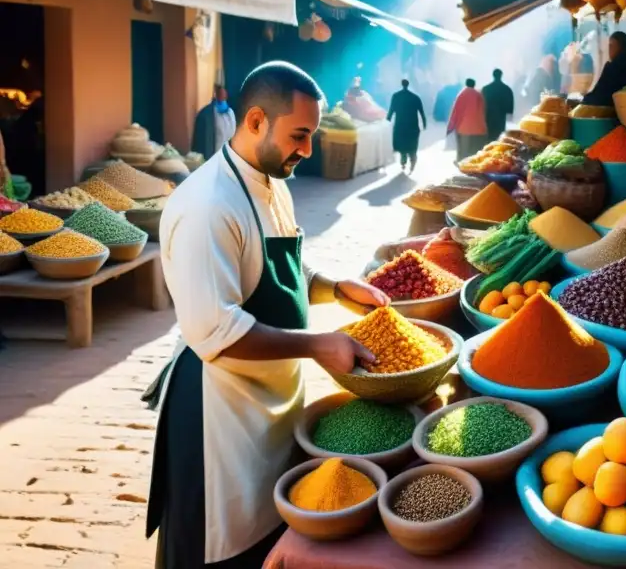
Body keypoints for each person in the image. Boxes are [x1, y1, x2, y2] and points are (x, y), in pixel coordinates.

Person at [146, 61, 389, 569]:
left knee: (266, 535)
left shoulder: (272, 182)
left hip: (270, 400)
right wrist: (319, 346)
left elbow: (285, 267)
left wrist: (337, 289)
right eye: (299, 135)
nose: (308, 150)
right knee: (219, 543)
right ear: (255, 120)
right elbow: (216, 331)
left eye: (312, 136)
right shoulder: (207, 206)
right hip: (219, 410)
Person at [582, 31, 626, 106]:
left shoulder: (613, 67)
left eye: (611, 46)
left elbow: (600, 94)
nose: (609, 50)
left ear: (621, 47)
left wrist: (585, 100)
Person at [387, 79, 427, 172]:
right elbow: (421, 112)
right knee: (412, 144)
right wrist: (424, 123)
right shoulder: (415, 97)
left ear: (402, 84)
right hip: (412, 126)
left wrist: (388, 119)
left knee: (402, 145)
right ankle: (413, 159)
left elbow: (391, 110)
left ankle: (403, 161)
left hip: (400, 125)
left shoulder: (396, 96)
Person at [446, 78, 488, 161]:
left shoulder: (461, 94)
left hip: (463, 128)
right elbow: (483, 110)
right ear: (474, 85)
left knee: (463, 149)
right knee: (475, 150)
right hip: (478, 128)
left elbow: (455, 111)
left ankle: (461, 160)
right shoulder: (479, 95)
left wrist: (450, 127)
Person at [191, 85, 236, 161]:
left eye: (224, 91)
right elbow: (199, 140)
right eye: (220, 91)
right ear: (216, 93)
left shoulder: (231, 113)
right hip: (213, 157)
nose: (223, 93)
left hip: (229, 157)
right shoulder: (206, 114)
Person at [481, 68, 514, 142]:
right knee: (499, 136)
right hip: (501, 117)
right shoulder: (506, 89)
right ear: (501, 75)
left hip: (488, 116)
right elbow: (510, 102)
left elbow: (481, 103)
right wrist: (510, 112)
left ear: (493, 75)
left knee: (489, 136)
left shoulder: (486, 89)